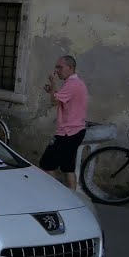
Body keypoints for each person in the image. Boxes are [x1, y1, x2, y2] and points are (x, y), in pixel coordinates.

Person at [40, 54, 88, 191]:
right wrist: (52, 90)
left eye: (60, 67)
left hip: (68, 132)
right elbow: (60, 98)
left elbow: (54, 101)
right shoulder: (74, 82)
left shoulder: (72, 84)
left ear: (70, 67)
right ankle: (72, 196)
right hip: (75, 131)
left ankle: (56, 194)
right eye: (56, 67)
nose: (57, 71)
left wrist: (53, 82)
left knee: (46, 164)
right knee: (67, 166)